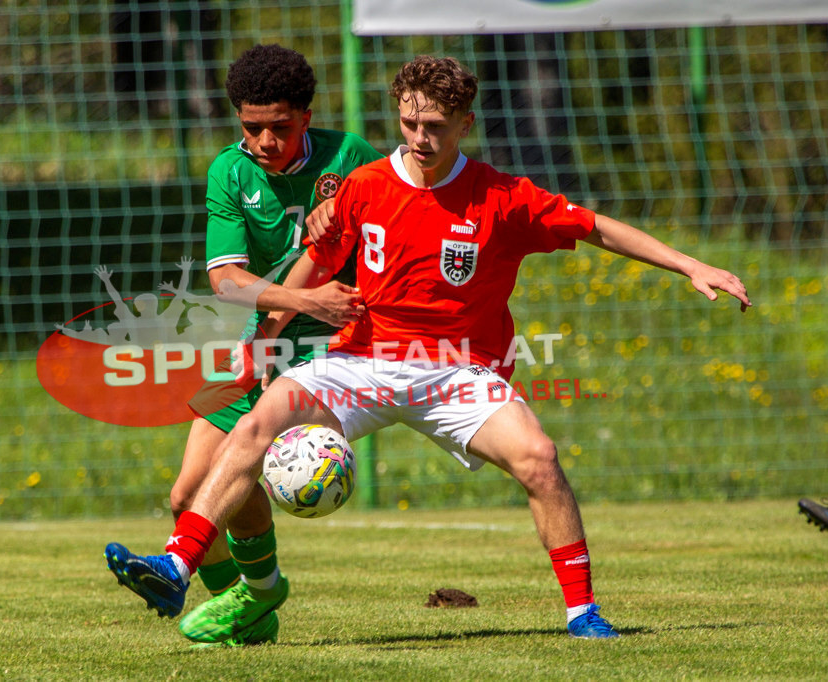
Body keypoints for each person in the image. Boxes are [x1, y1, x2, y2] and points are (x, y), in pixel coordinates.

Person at [107, 55, 752, 643]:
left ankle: (583, 614)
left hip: (457, 371)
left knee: (539, 458)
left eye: (436, 125)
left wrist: (690, 264)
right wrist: (267, 337)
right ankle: (175, 565)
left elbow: (595, 228)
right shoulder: (362, 186)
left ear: (465, 124)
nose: (420, 138)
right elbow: (314, 261)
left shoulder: (501, 197)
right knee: (256, 423)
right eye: (411, 122)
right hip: (362, 359)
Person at [104, 44, 381, 646]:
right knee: (184, 497)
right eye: (250, 127)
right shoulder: (229, 171)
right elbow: (226, 281)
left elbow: (398, 222)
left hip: (341, 346)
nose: (263, 141)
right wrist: (304, 302)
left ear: (306, 116)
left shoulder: (352, 156)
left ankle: (243, 595)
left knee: (236, 461)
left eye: (279, 127)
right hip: (266, 337)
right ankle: (257, 597)